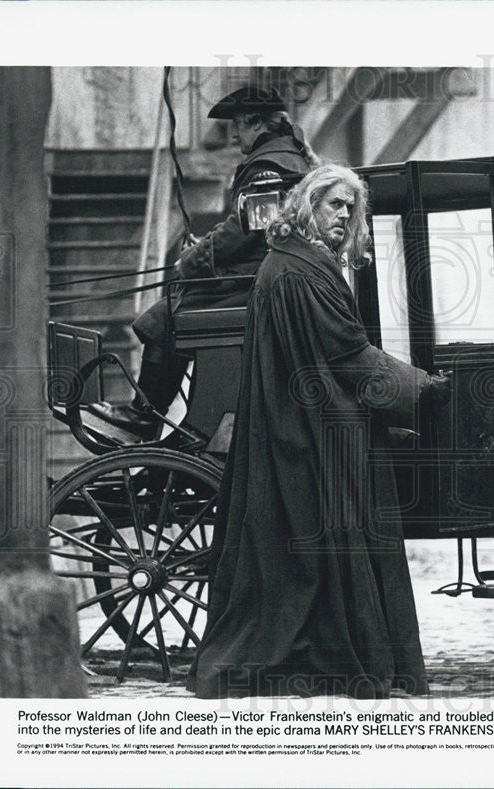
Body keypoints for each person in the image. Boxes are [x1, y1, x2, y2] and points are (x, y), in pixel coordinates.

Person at [188, 164, 451, 699]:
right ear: (308, 205)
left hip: (303, 418)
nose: (346, 215)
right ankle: (330, 658)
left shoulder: (297, 263)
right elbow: (347, 353)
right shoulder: (298, 272)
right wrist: (420, 388)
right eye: (336, 205)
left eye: (352, 208)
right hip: (307, 428)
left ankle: (340, 652)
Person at [90, 85, 317, 437]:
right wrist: (207, 248)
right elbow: (250, 225)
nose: (235, 135)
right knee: (174, 308)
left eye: (237, 127)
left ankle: (146, 414)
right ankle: (151, 413)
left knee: (168, 315)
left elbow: (246, 230)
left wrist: (193, 259)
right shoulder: (287, 158)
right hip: (267, 280)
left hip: (257, 287)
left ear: (256, 123)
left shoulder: (269, 167)